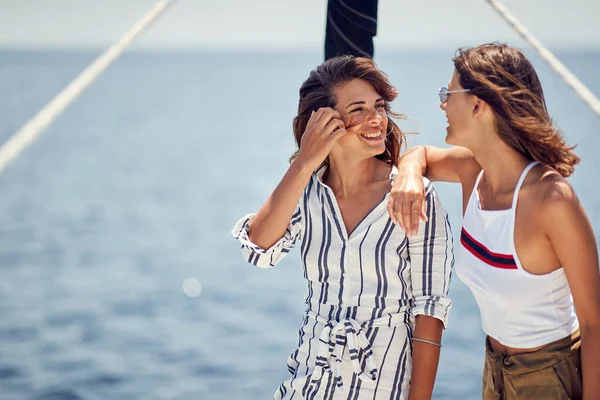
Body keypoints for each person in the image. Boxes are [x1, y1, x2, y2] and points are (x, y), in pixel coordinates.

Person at [231, 55, 454, 399]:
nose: (377, 119)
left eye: (379, 106)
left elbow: (430, 313)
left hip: (383, 386)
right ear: (325, 123)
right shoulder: (306, 191)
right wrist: (305, 160)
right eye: (358, 109)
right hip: (308, 383)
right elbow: (259, 249)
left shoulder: (412, 195)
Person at [388, 43, 600, 399]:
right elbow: (418, 154)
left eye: (448, 93)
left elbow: (595, 323)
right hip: (495, 372)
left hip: (552, 376)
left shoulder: (552, 200)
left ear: (477, 105)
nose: (442, 103)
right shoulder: (473, 170)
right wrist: (408, 174)